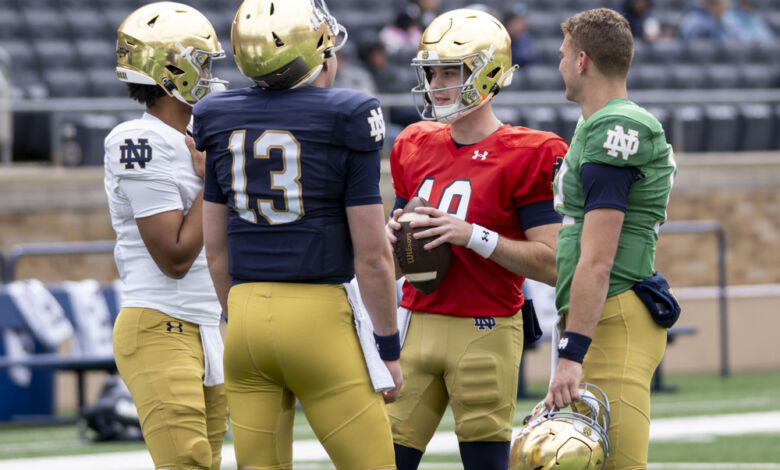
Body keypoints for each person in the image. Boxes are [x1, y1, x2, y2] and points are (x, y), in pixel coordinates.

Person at [192, 0, 403, 468]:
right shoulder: (348, 112)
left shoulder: (216, 114)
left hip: (244, 318)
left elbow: (214, 249)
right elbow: (373, 256)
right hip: (317, 317)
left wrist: (240, 315)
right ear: (313, 50)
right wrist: (387, 347)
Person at [385, 8, 567, 470]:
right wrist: (390, 241)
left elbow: (552, 262)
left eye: (451, 71)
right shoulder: (413, 142)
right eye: (433, 71)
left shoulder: (531, 151)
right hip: (414, 324)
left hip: (483, 329)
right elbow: (393, 260)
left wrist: (473, 236)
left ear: (489, 74)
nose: (438, 83)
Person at [547, 8, 677, 469]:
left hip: (614, 315)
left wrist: (571, 353)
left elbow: (599, 259)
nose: (559, 64)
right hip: (598, 318)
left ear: (582, 60)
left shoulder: (615, 126)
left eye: (563, 55)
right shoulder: (594, 123)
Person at [103, 3, 229, 469]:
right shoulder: (137, 141)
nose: (212, 74)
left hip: (207, 326)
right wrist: (215, 179)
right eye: (204, 63)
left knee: (209, 463)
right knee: (188, 463)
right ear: (174, 70)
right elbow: (173, 257)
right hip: (160, 323)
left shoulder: (203, 136)